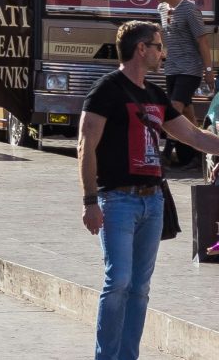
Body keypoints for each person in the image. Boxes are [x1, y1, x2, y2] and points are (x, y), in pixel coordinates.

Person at [84, 19, 219, 360]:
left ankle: (128, 355)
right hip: (116, 200)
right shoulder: (106, 90)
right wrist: (89, 201)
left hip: (153, 201)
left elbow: (193, 136)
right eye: (159, 46)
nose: (163, 53)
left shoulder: (155, 94)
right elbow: (85, 147)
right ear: (141, 49)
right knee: (118, 281)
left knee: (140, 288)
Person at [152, 0, 211, 170]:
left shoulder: (190, 10)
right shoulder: (161, 8)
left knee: (173, 108)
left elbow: (202, 41)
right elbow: (166, 38)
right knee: (187, 116)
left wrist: (208, 70)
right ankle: (198, 156)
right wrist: (160, 57)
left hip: (190, 68)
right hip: (172, 68)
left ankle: (165, 155)